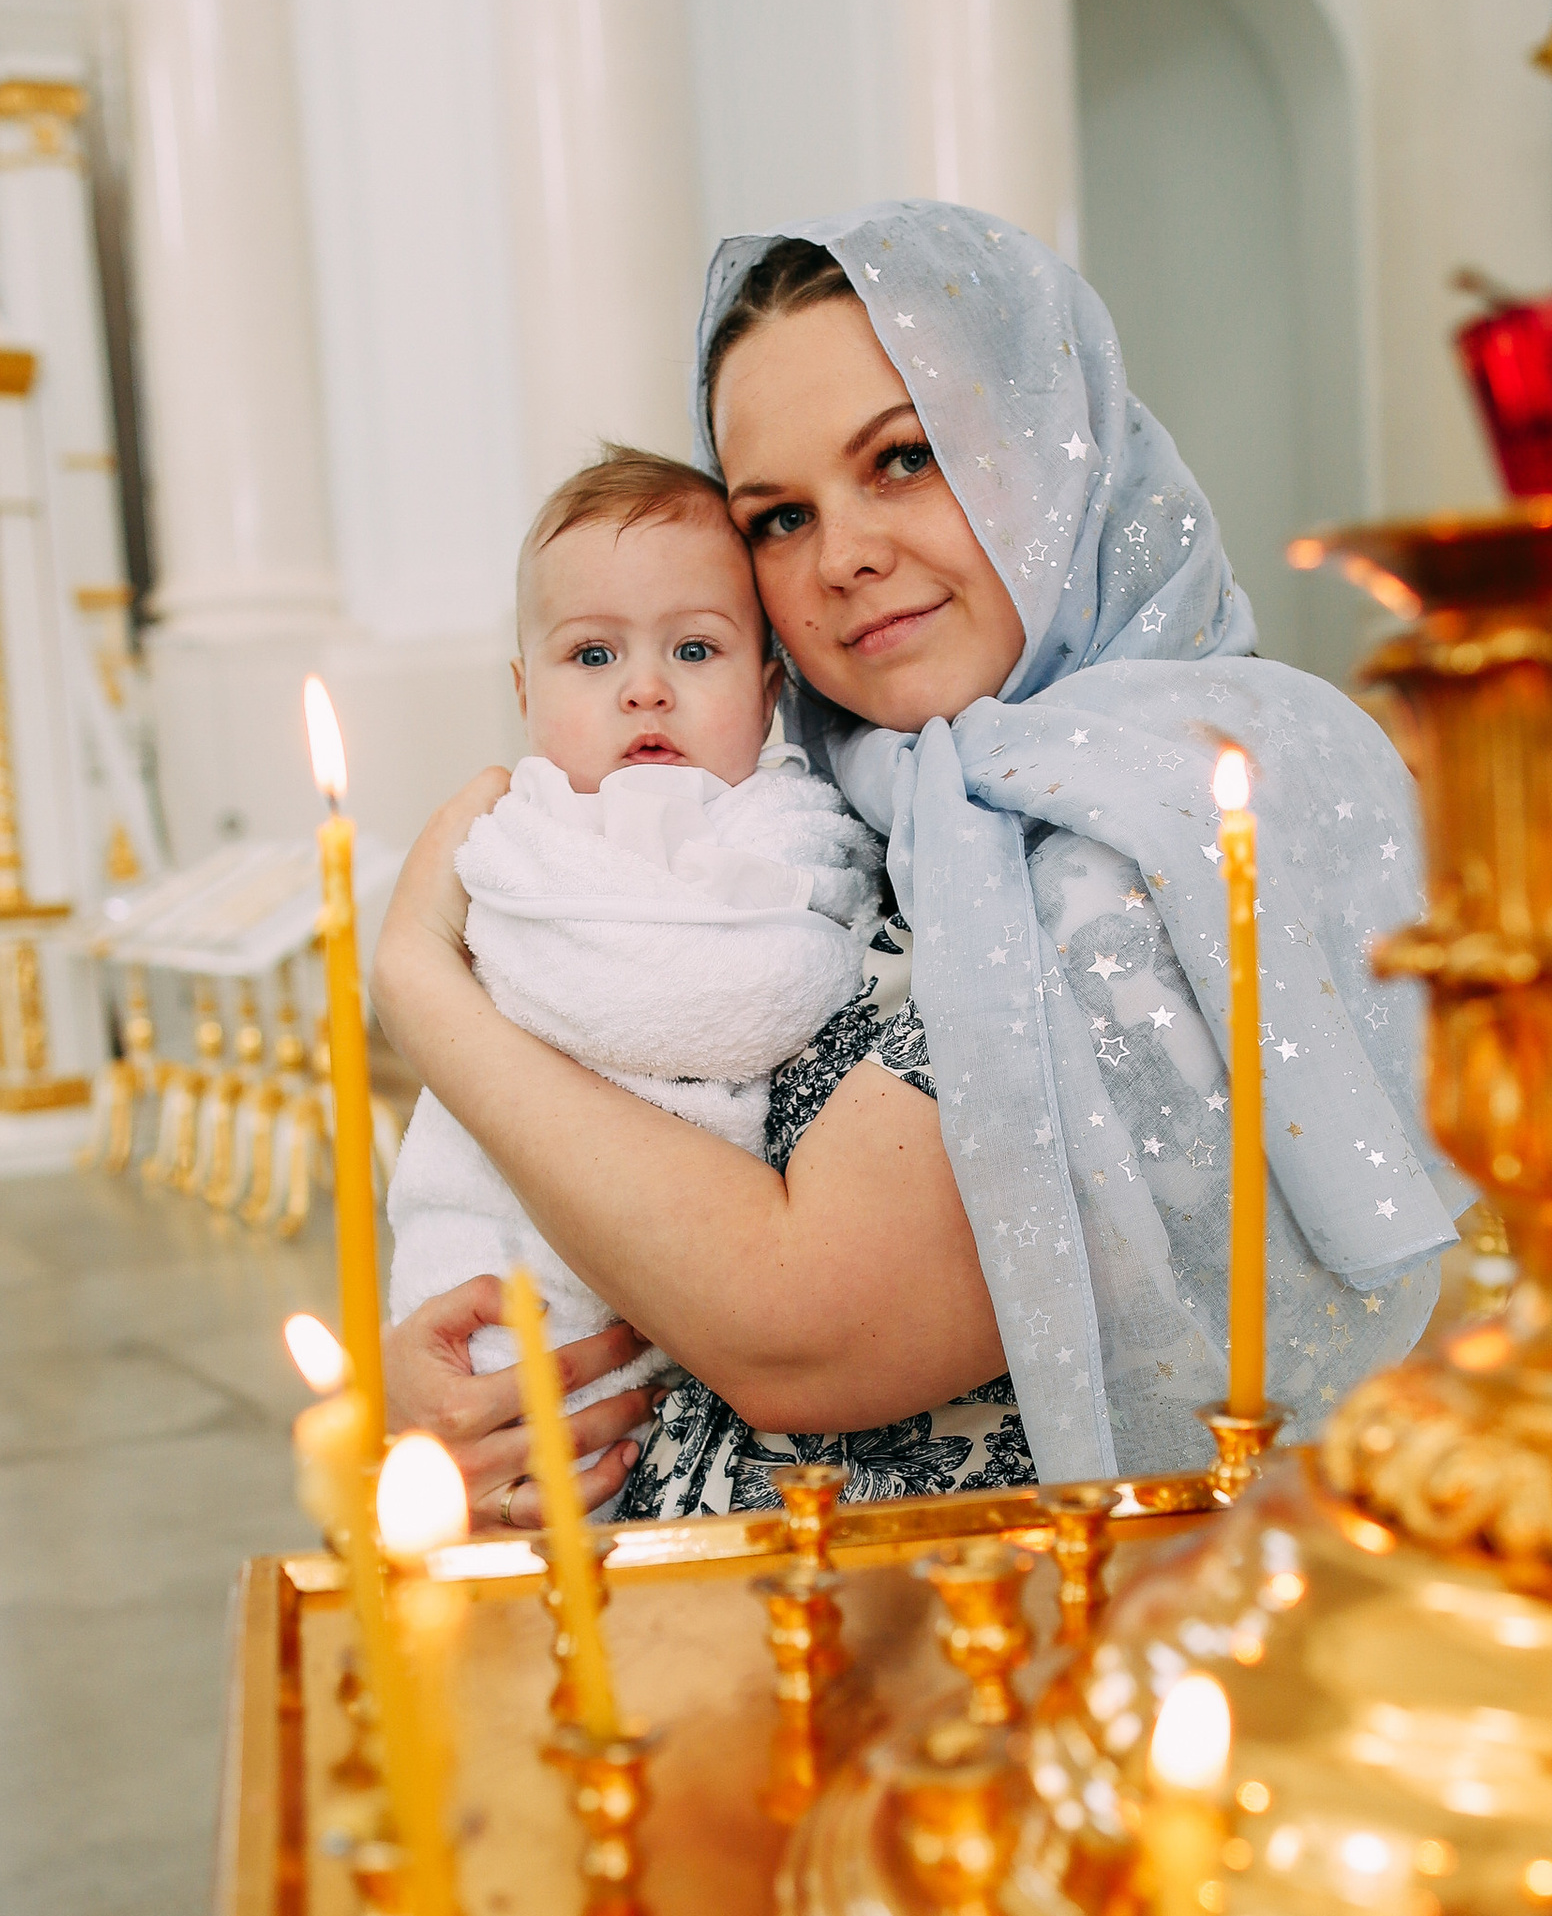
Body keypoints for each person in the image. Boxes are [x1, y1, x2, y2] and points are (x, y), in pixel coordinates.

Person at [373, 203, 1459, 1529]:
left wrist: (426, 991)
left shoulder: (1175, 816)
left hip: (1003, 1654)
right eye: (775, 517)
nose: (844, 557)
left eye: (904, 458)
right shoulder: (870, 797)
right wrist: (467, 1384)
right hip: (718, 1625)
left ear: (1050, 446)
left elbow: (799, 1324)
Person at [383, 446, 880, 1515]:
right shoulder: (515, 844)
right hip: (508, 1261)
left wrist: (422, 977)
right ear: (525, 692)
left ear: (768, 688)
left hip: (723, 1312)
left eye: (694, 649)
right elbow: (532, 975)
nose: (645, 686)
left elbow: (759, 994)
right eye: (592, 655)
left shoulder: (791, 836)